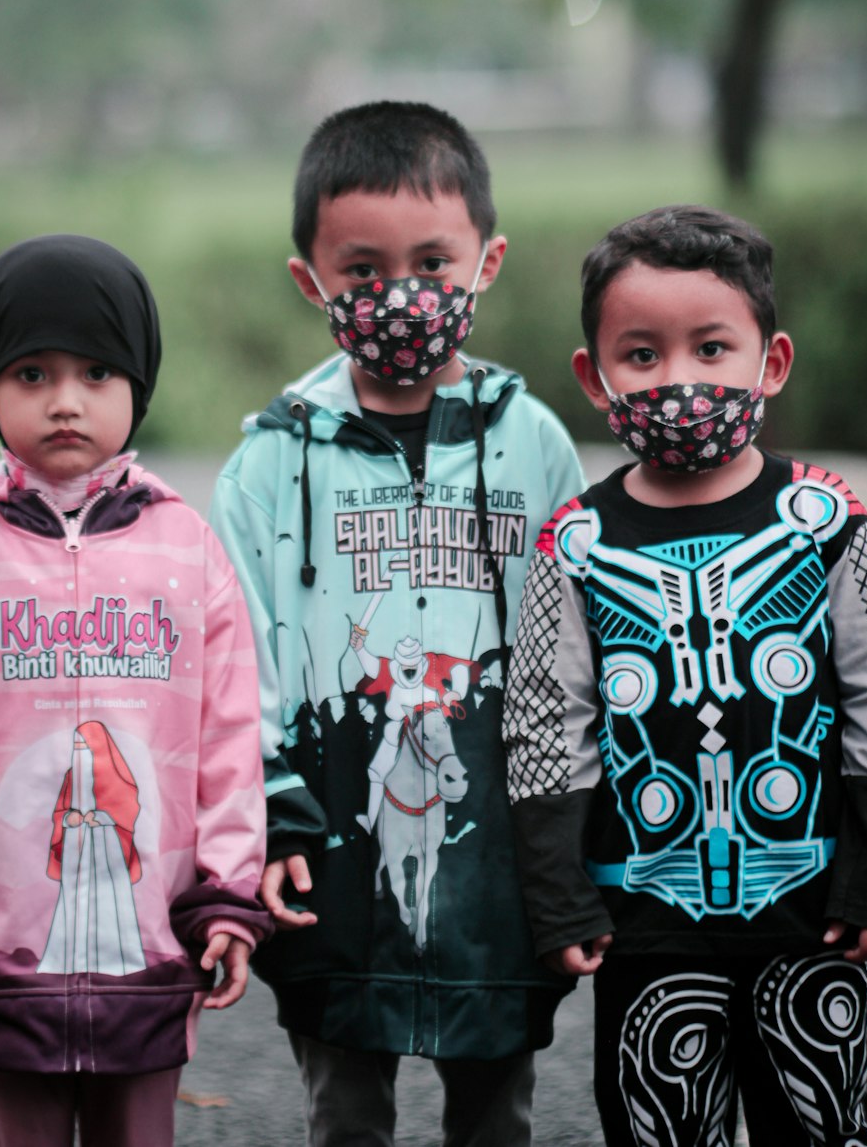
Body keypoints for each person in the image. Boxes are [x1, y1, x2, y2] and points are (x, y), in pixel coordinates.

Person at [209, 101, 585, 1147]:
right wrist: (274, 812)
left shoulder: (535, 446)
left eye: (432, 260)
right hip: (329, 842)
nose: (399, 294)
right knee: (344, 1108)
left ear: (487, 261)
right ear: (311, 282)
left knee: (497, 1109)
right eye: (363, 270)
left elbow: (568, 644)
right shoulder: (271, 463)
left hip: (502, 861)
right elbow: (240, 652)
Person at [503, 204, 867, 1147]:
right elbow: (545, 727)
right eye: (642, 355)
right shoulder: (575, 542)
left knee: (823, 1122)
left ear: (772, 362)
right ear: (594, 380)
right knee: (661, 1124)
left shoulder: (828, 519)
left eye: (711, 349)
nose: (680, 379)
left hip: (817, 921)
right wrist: (560, 894)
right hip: (646, 924)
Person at [0, 234, 271, 1147]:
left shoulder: (187, 552)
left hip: (150, 953)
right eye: (31, 373)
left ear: (137, 384)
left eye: (97, 372)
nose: (66, 401)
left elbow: (229, 738)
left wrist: (228, 895)